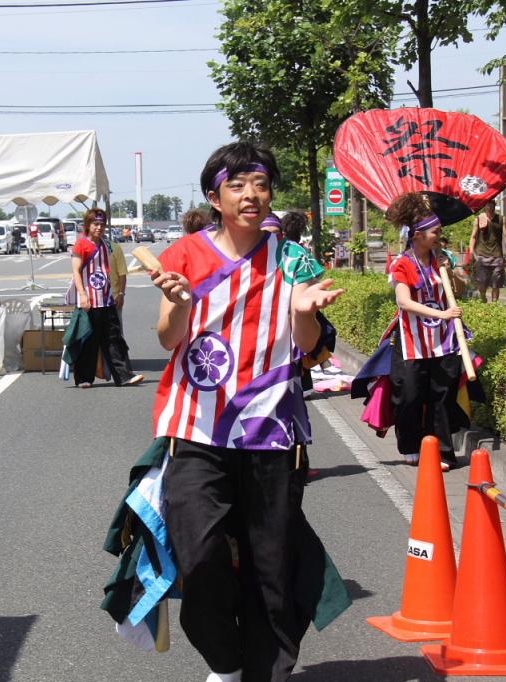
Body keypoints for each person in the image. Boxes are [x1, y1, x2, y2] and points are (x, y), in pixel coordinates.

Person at [146, 142, 344, 681]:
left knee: (270, 565)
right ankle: (226, 661)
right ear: (215, 198)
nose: (250, 194)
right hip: (196, 427)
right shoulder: (185, 255)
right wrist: (180, 306)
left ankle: (265, 671)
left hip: (270, 429)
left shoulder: (294, 259)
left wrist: (304, 312)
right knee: (200, 554)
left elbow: (308, 347)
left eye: (259, 184)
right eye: (236, 185)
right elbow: (167, 339)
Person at [356, 192, 466, 471]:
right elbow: (403, 302)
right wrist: (441, 314)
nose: (440, 236)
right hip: (411, 342)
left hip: (444, 340)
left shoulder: (442, 259)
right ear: (418, 235)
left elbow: (460, 290)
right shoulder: (402, 264)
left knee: (442, 397)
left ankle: (442, 451)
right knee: (409, 396)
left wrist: (451, 272)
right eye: (435, 232)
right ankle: (410, 444)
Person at [69, 208, 143, 388]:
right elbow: (76, 272)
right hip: (89, 300)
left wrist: (119, 293)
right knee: (88, 340)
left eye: (102, 224)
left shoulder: (106, 245)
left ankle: (124, 376)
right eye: (95, 224)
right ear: (88, 225)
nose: (99, 227)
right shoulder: (81, 245)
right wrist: (83, 295)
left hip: (106, 298)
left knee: (114, 338)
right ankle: (84, 378)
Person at [468, 199, 506, 303]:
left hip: (497, 256)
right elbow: (473, 236)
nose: (489, 207)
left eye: (491, 204)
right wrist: (471, 252)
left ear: (494, 205)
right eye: (487, 205)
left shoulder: (501, 219)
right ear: (484, 206)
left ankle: (494, 304)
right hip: (481, 256)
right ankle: (483, 298)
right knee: (482, 282)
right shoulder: (478, 219)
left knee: (496, 283)